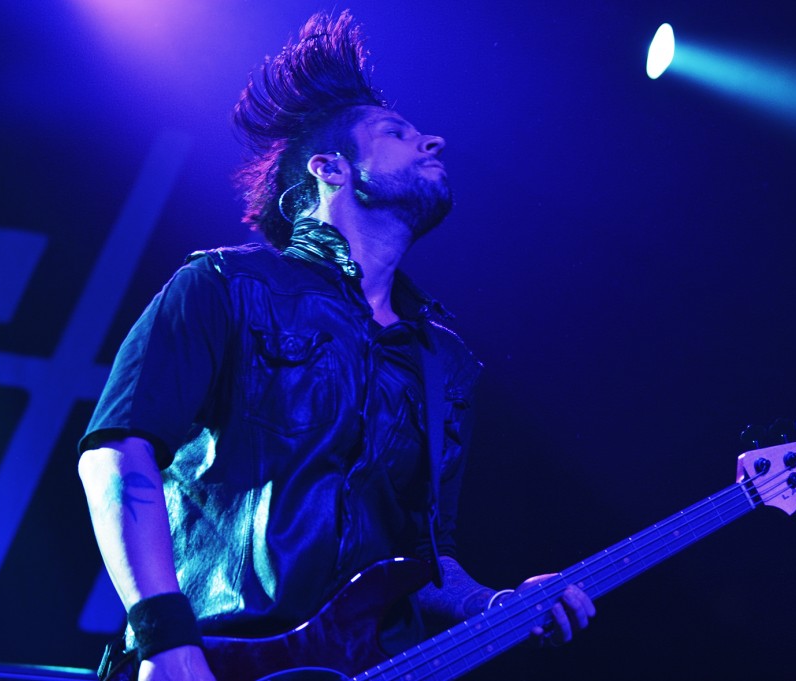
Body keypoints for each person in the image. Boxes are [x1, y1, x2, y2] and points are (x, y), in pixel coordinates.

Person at [77, 10, 594, 681]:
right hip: (212, 657)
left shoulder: (446, 364)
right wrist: (166, 641)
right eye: (398, 134)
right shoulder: (221, 285)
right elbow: (116, 457)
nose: (433, 141)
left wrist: (495, 602)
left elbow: (423, 559)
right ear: (331, 169)